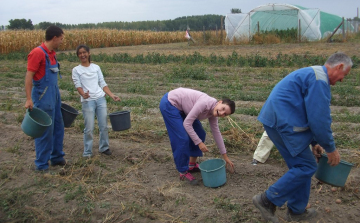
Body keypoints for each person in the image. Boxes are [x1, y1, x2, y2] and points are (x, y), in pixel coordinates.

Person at [252, 52, 353, 223]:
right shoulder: (320, 80)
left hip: (278, 119)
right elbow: (319, 119)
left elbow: (308, 112)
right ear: (340, 67)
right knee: (306, 166)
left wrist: (314, 142)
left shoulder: (314, 74)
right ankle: (267, 200)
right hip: (282, 122)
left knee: (302, 166)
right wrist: (331, 148)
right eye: (344, 75)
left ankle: (297, 210)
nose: (342, 80)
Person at [159, 87, 235, 185]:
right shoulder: (205, 103)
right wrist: (199, 143)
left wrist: (225, 156)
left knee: (200, 133)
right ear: (219, 102)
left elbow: (216, 133)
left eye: (225, 114)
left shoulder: (214, 113)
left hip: (183, 108)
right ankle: (183, 171)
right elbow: (187, 124)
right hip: (170, 104)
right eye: (223, 109)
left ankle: (191, 164)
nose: (221, 113)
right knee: (181, 138)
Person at [24, 25, 67, 171]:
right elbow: (29, 76)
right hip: (43, 96)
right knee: (45, 131)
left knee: (58, 127)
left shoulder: (52, 53)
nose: (61, 42)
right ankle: (41, 165)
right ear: (54, 38)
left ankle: (57, 157)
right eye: (61, 39)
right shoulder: (37, 53)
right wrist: (29, 99)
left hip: (54, 95)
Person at [72, 44, 121, 158]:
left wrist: (112, 95)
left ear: (89, 53)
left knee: (103, 125)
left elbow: (102, 84)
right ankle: (87, 151)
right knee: (89, 128)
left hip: (100, 99)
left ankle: (104, 147)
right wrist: (82, 94)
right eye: (80, 53)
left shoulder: (96, 67)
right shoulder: (76, 70)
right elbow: (77, 85)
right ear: (78, 56)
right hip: (88, 101)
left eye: (84, 52)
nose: (82, 55)